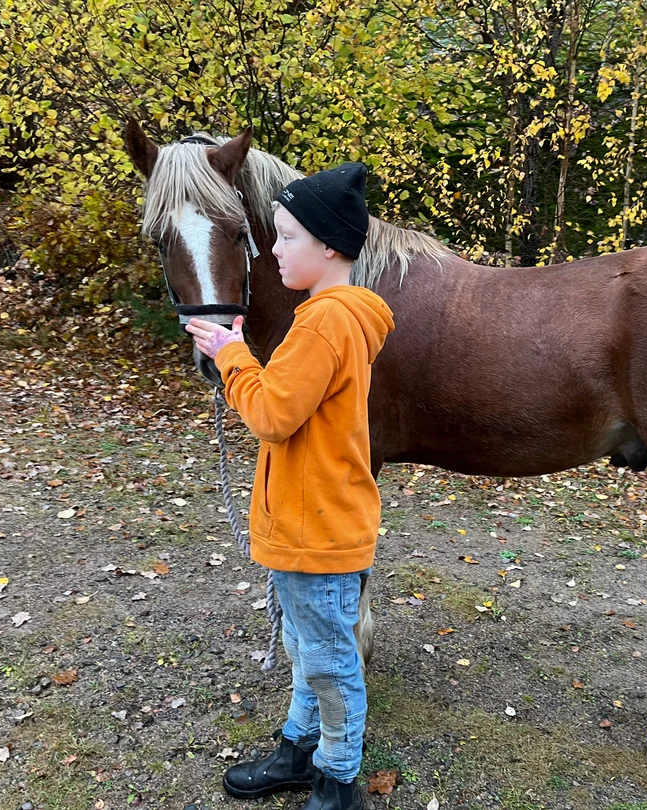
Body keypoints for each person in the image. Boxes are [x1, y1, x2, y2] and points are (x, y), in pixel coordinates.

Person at [186, 162, 394, 810]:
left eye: (286, 237)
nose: (273, 250)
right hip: (305, 528)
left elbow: (272, 414)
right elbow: (289, 401)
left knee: (329, 661)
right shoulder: (324, 319)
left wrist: (231, 356)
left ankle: (337, 777)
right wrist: (240, 350)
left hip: (318, 533)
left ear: (329, 245)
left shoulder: (327, 322)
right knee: (306, 648)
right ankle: (301, 747)